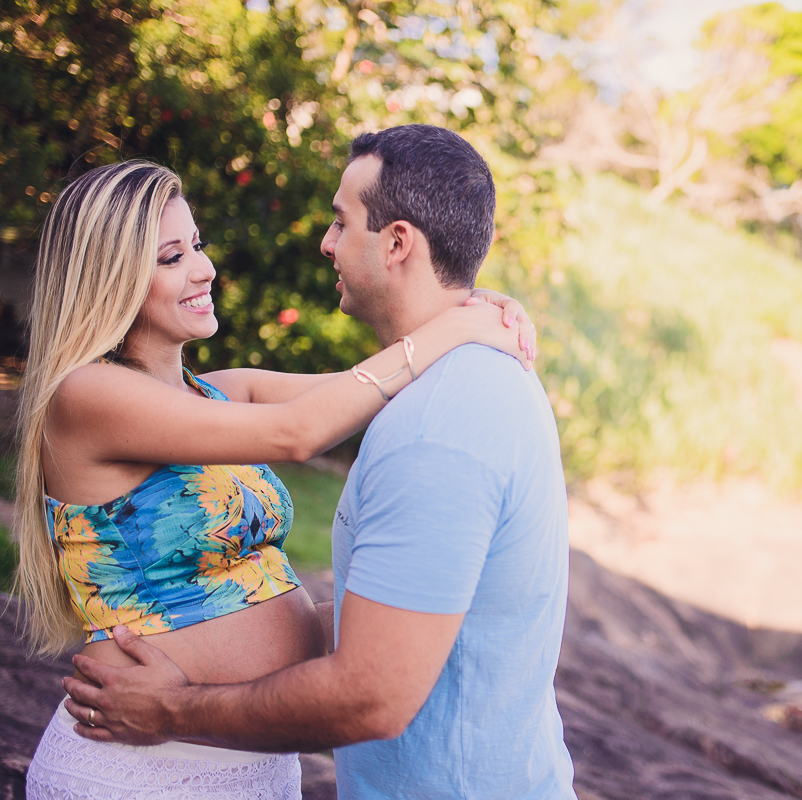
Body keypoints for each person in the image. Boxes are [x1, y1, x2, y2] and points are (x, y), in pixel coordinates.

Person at [62, 125, 577, 799]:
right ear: (112, 276)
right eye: (170, 256)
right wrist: (452, 326)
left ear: (397, 243)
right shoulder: (86, 395)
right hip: (142, 760)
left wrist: (479, 310)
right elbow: (297, 433)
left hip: (236, 757)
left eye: (198, 246)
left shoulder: (219, 391)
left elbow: (363, 386)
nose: (204, 268)